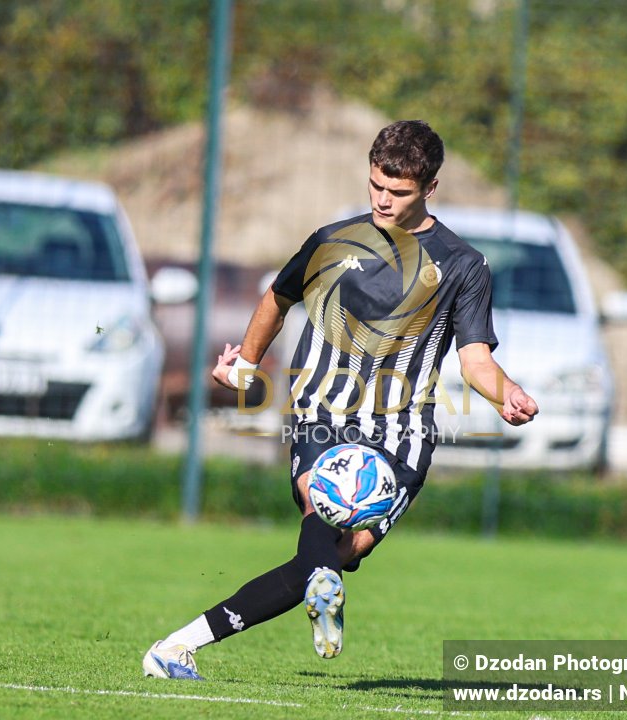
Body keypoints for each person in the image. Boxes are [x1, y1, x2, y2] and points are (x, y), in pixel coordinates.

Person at [143, 120, 539, 680]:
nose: (383, 200)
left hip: (403, 429)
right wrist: (247, 363)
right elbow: (278, 297)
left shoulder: (462, 265)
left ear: (430, 187)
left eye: (398, 191)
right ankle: (297, 591)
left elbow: (474, 359)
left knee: (342, 549)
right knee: (320, 504)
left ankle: (181, 644)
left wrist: (507, 394)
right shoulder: (333, 241)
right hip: (322, 407)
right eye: (376, 184)